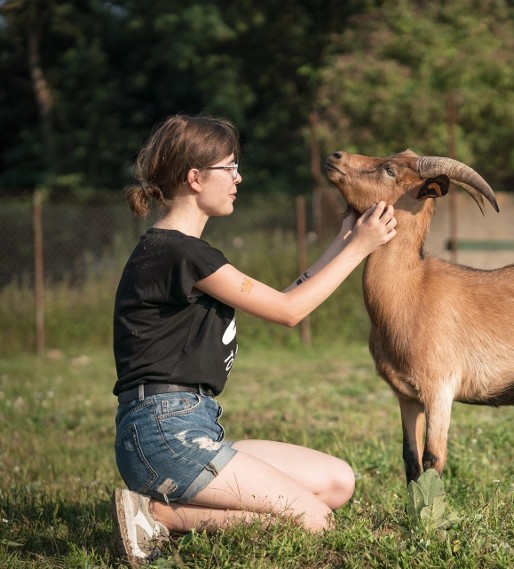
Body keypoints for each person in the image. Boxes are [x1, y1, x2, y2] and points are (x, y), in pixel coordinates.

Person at [110, 114, 397, 564]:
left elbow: (284, 298)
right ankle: (159, 514)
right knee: (314, 520)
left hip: (189, 427)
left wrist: (344, 240)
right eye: (229, 167)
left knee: (337, 482)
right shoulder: (178, 253)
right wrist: (361, 248)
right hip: (166, 434)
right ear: (195, 177)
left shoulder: (180, 252)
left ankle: (173, 504)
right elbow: (290, 312)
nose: (238, 177)